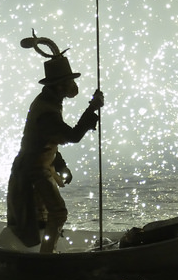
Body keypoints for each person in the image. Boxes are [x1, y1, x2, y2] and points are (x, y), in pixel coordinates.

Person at [6, 35, 104, 253]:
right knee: (58, 213)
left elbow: (46, 139)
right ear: (59, 85)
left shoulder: (49, 102)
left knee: (45, 215)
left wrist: (58, 163)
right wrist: (92, 109)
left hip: (38, 166)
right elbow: (72, 136)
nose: (72, 86)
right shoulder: (47, 110)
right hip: (33, 171)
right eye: (68, 81)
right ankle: (46, 254)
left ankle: (45, 251)